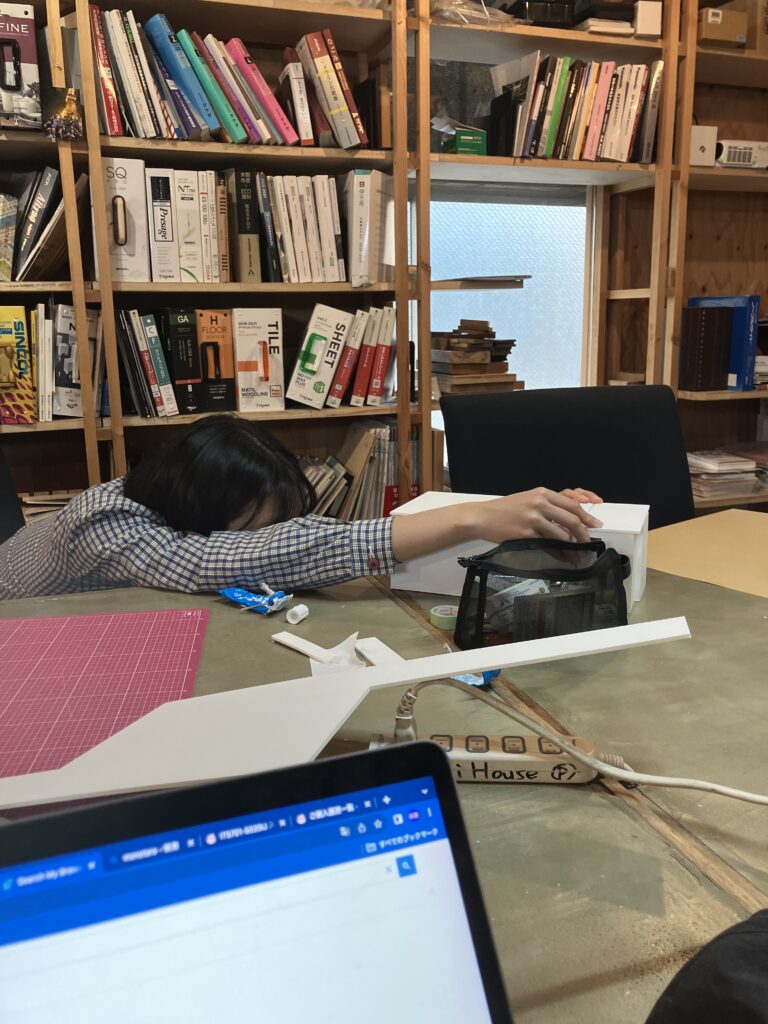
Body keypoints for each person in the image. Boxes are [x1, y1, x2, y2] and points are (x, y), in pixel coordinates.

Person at [0, 415, 603, 600]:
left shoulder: (165, 496)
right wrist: (473, 517)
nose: (273, 537)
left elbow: (281, 544)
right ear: (204, 506)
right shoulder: (106, 529)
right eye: (257, 528)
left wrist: (527, 515)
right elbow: (219, 561)